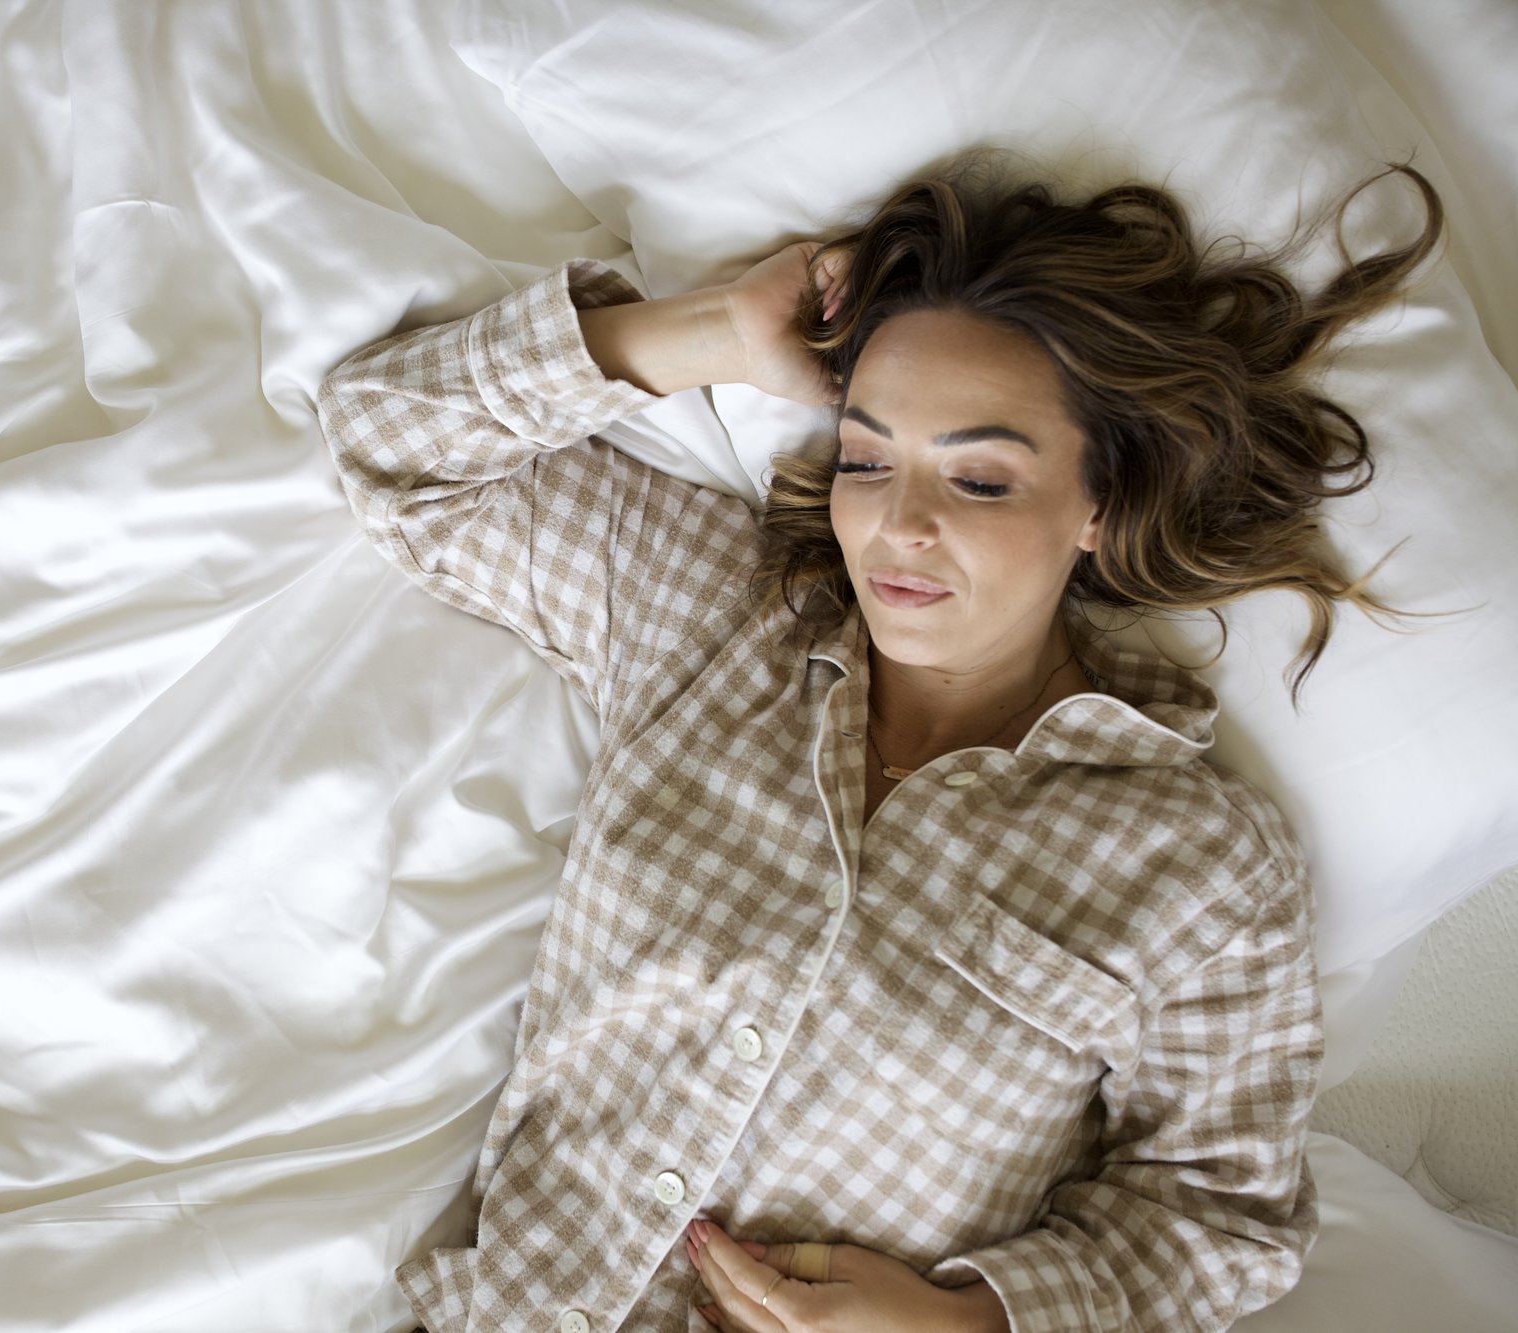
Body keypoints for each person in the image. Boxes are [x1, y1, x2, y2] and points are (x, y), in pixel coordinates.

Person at [317, 154, 1443, 1333]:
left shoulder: (1199, 861)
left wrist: (972, 1322)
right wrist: (711, 333)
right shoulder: (712, 615)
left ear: (1098, 503)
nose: (898, 525)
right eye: (864, 457)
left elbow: (1218, 1213)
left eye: (978, 477)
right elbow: (390, 439)